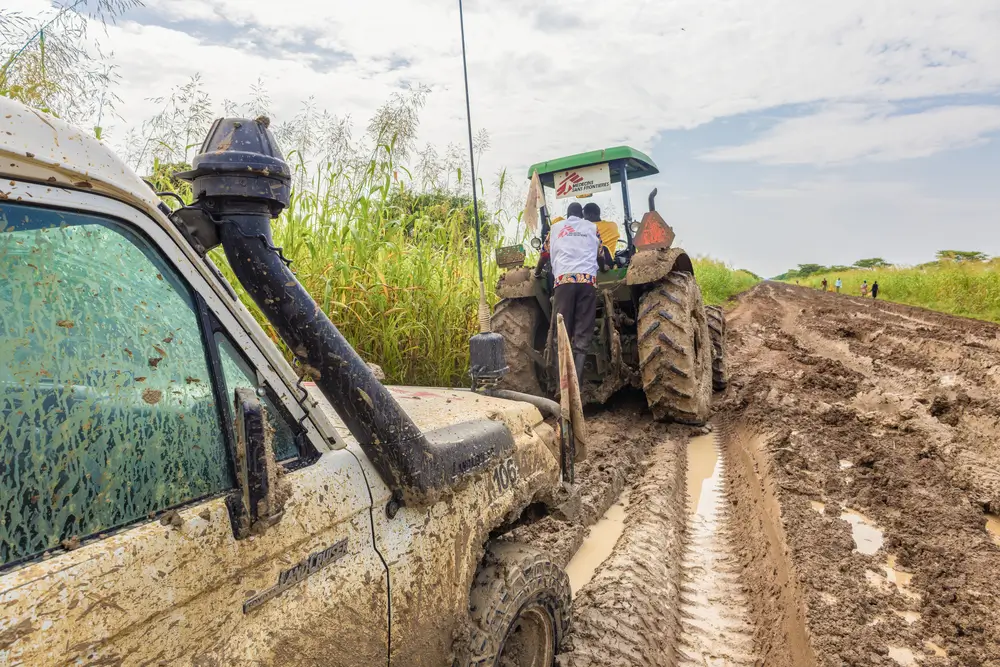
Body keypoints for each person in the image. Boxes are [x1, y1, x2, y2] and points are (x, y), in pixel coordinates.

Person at [537, 202, 610, 387]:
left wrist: (537, 273)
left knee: (561, 331)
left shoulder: (555, 229)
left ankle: (561, 386)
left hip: (563, 283)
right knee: (583, 331)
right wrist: (603, 268)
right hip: (587, 283)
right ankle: (576, 385)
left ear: (567, 214)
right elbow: (600, 255)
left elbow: (544, 255)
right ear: (582, 215)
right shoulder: (592, 228)